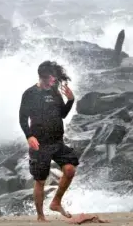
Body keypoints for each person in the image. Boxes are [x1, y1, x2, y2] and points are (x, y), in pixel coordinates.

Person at [19, 60, 79, 222]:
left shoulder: (54, 92)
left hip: (57, 142)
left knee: (70, 170)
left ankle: (56, 202)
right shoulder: (30, 94)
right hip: (40, 144)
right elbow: (22, 118)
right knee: (40, 180)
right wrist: (29, 136)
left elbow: (63, 115)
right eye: (51, 78)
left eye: (54, 78)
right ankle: (40, 216)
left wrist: (71, 100)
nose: (54, 81)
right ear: (43, 77)